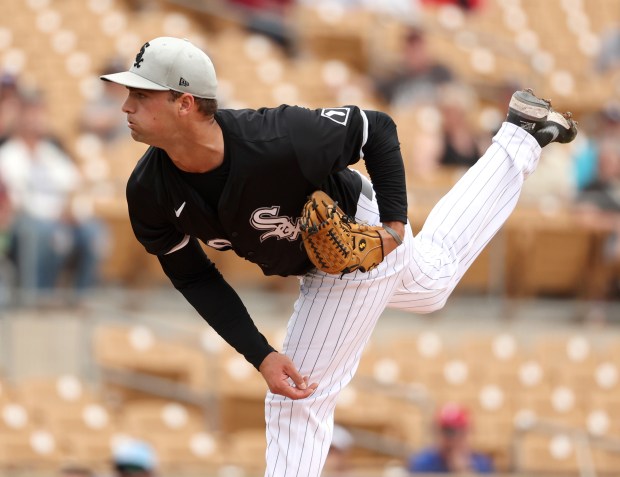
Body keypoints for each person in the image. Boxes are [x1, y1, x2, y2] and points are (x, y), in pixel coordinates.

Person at [99, 37, 577, 477]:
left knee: (298, 400)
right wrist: (260, 353)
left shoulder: (277, 137)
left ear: (185, 104)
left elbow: (376, 128)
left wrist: (391, 227)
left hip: (358, 233)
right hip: (319, 257)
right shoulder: (148, 192)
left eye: (141, 95)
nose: (126, 105)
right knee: (433, 281)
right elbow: (194, 278)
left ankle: (516, 139)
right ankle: (521, 135)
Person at [0, 92, 108, 303]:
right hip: (27, 220)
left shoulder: (51, 152)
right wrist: (53, 215)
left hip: (60, 217)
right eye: (30, 115)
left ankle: (79, 299)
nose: (35, 121)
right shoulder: (7, 155)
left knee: (94, 232)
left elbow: (74, 183)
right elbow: (16, 200)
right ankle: (38, 298)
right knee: (50, 234)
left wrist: (70, 209)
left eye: (39, 115)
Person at [407, 403, 493, 473]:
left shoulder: (482, 465)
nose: (453, 439)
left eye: (459, 432)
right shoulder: (422, 464)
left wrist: (464, 470)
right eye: (448, 432)